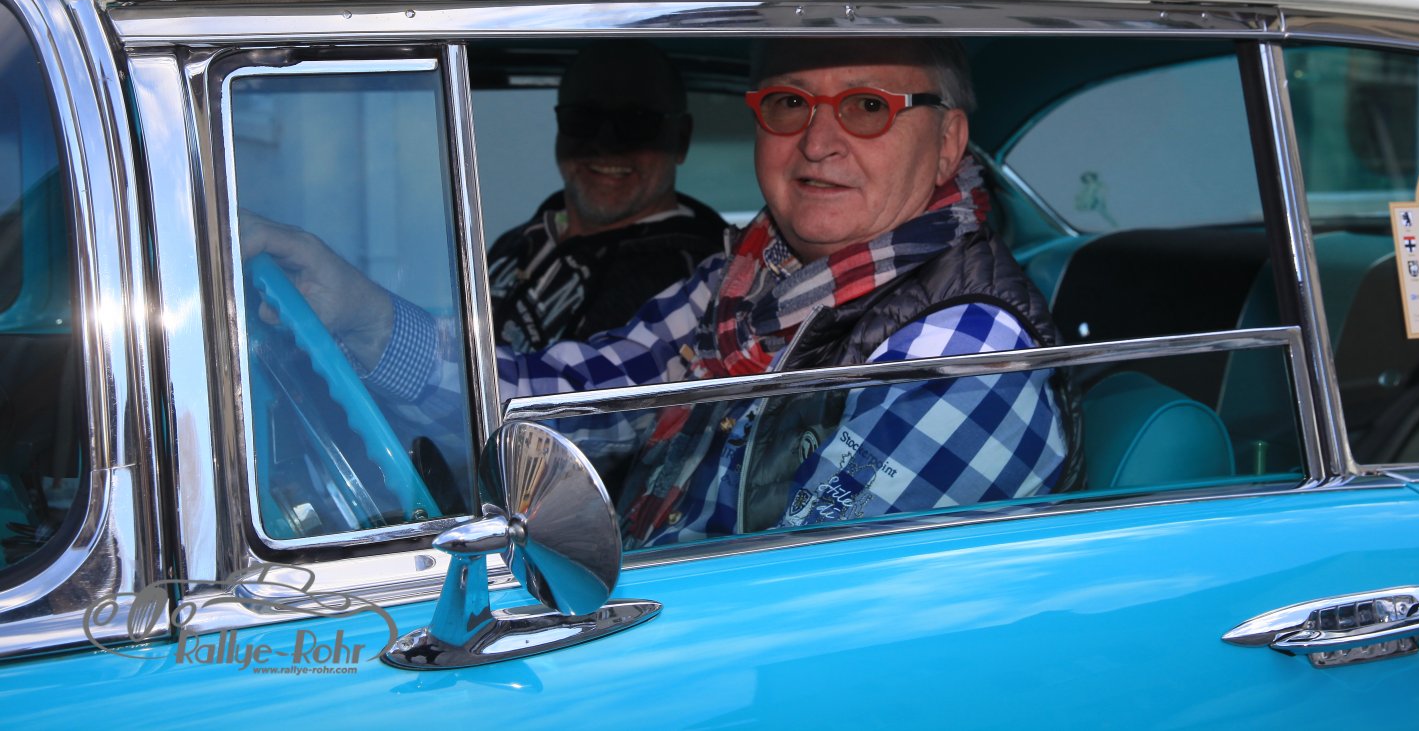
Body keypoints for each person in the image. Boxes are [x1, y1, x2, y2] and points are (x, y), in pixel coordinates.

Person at [245, 37, 1082, 548]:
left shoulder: (964, 353)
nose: (818, 141)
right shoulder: (745, 279)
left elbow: (801, 604)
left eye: (867, 106)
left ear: (948, 143)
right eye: (788, 104)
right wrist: (362, 319)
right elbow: (572, 397)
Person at [485, 42, 727, 353]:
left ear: (681, 139)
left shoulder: (693, 283)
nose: (606, 142)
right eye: (583, 117)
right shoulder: (521, 240)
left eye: (636, 121)